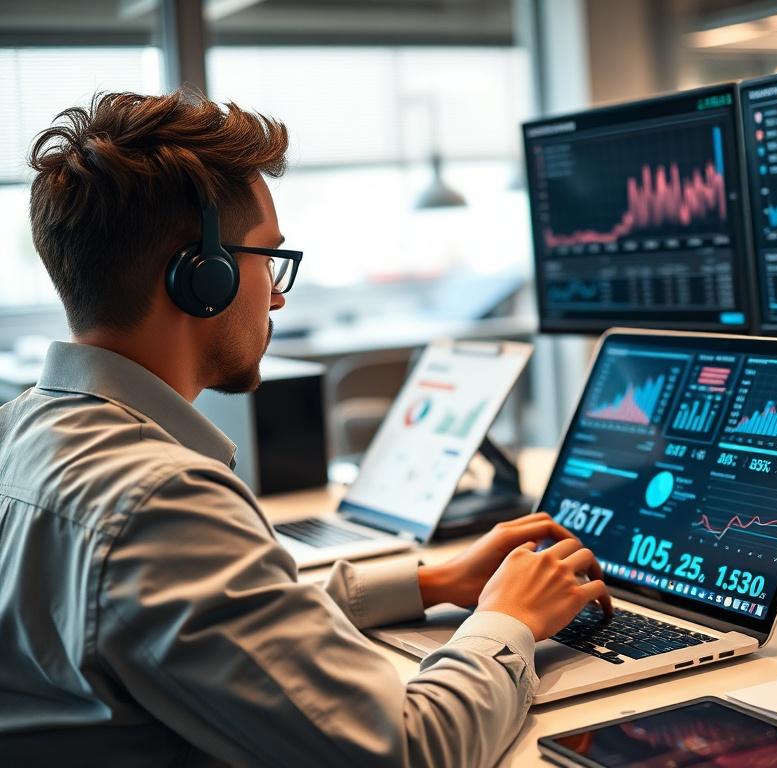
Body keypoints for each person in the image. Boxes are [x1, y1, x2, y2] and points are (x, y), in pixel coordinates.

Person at [0, 88, 611, 767]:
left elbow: (216, 629)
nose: (279, 294)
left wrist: (431, 583)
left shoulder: (19, 433)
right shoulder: (157, 500)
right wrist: (509, 620)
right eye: (268, 258)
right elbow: (408, 751)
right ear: (203, 275)